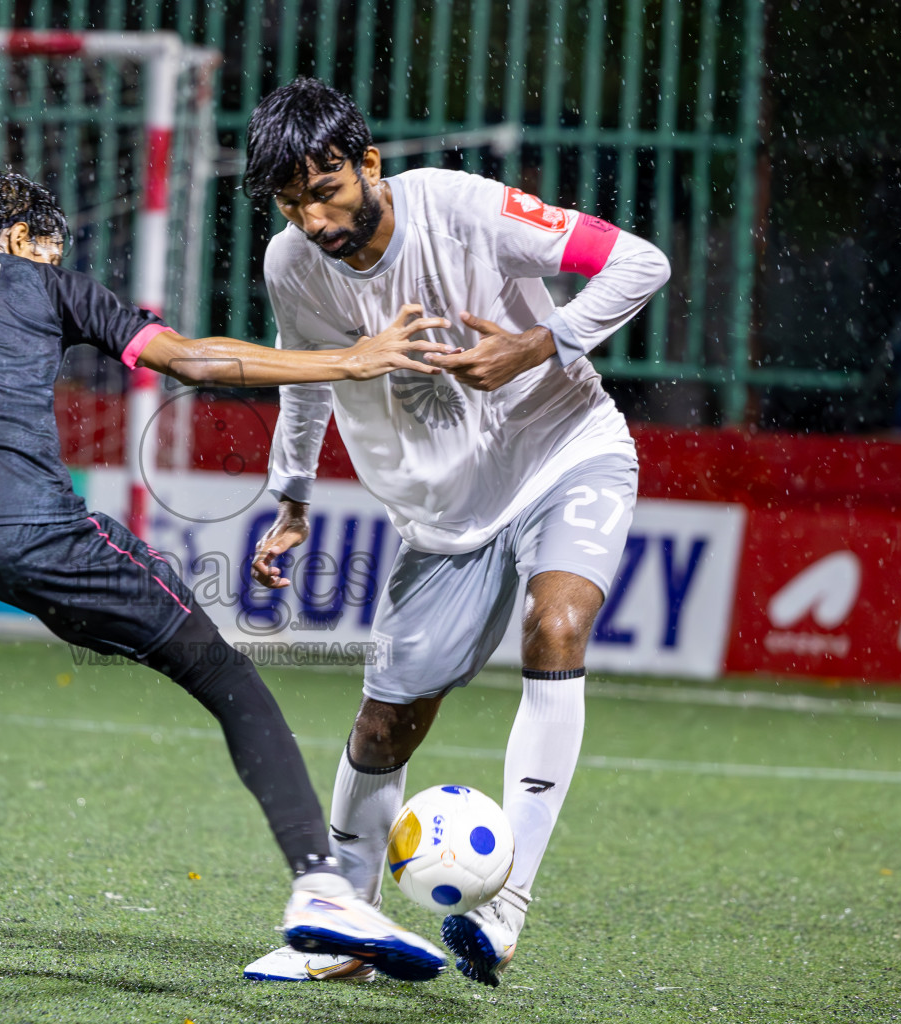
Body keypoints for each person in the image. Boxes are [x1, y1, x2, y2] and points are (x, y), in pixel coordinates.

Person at [0, 162, 456, 977]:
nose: (52, 256)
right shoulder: (45, 287)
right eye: (47, 243)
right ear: (17, 237)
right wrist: (350, 360)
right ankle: (318, 884)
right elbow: (194, 362)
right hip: (31, 527)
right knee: (222, 674)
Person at [240, 79, 671, 986]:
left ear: (368, 163)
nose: (313, 221)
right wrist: (292, 498)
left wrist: (542, 340)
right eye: (291, 204)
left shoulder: (466, 208)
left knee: (556, 629)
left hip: (565, 451)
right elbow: (307, 377)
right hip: (441, 518)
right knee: (387, 723)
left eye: (325, 192)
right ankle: (349, 924)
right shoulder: (292, 265)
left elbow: (641, 261)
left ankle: (506, 910)